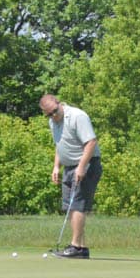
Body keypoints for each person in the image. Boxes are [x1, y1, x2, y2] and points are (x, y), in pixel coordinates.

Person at [39, 94, 102, 259]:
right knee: (70, 207)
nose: (53, 116)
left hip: (86, 164)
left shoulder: (77, 116)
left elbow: (91, 142)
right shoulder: (53, 122)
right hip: (69, 167)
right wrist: (56, 167)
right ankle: (81, 247)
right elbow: (60, 144)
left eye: (54, 111)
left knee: (78, 205)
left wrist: (81, 167)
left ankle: (75, 247)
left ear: (59, 104)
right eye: (49, 114)